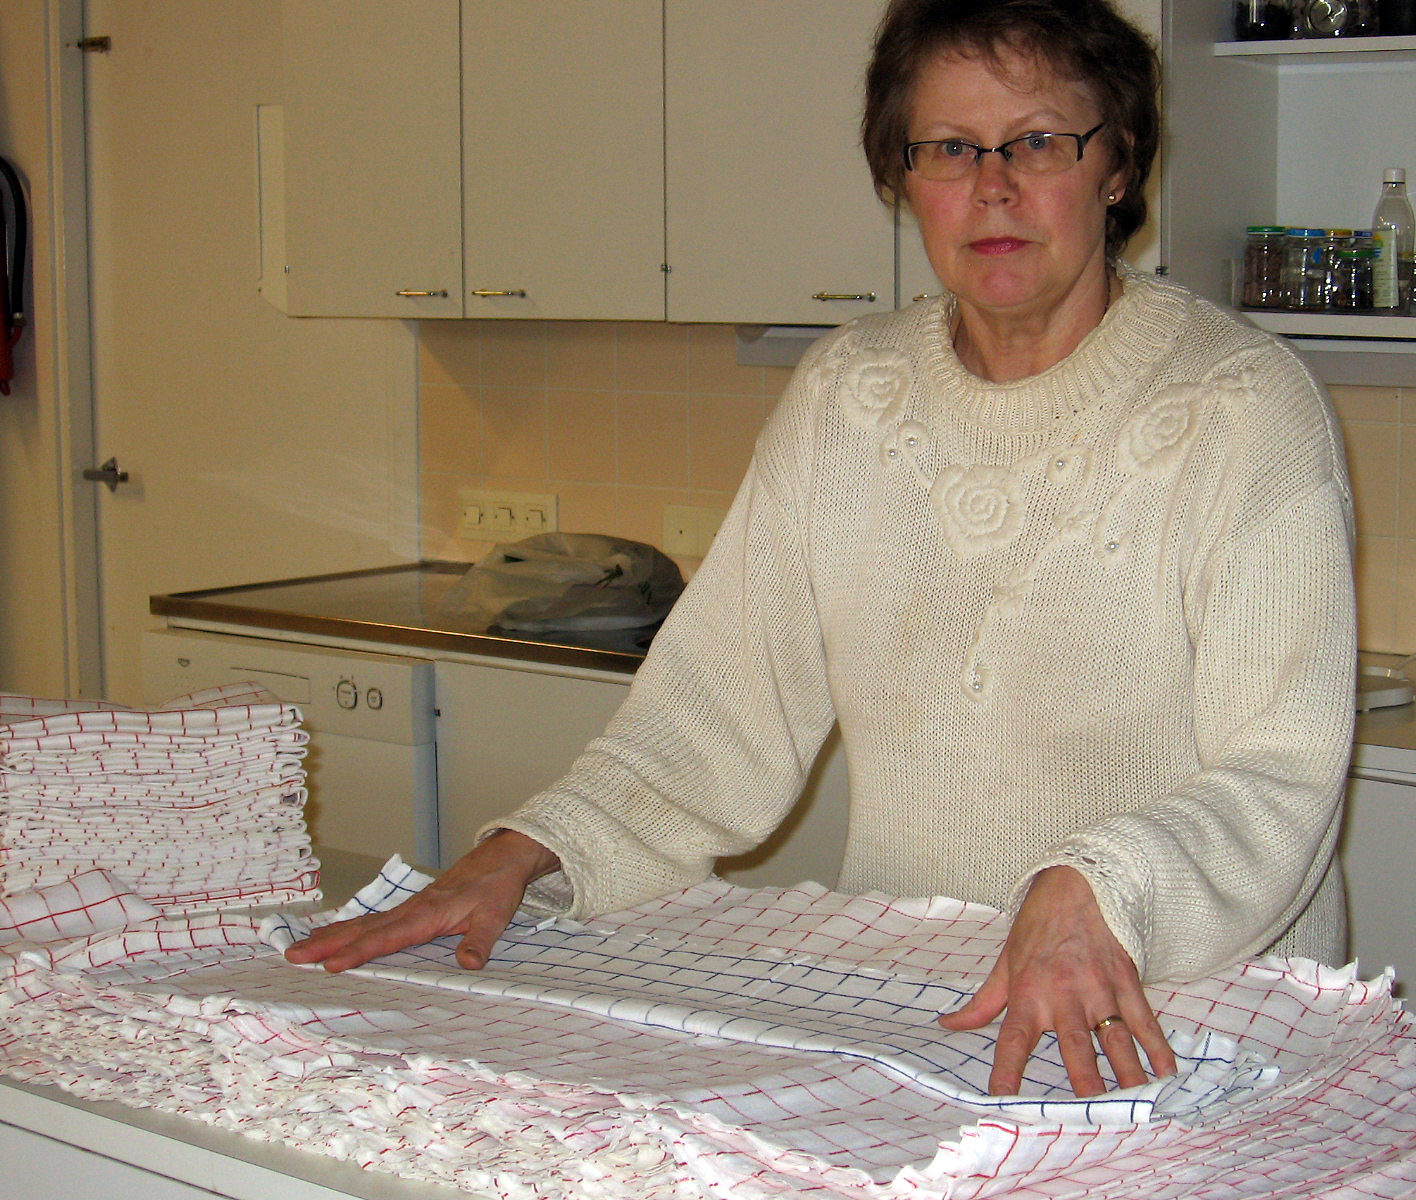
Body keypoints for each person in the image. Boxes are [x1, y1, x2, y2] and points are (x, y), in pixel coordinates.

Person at [288, 0, 1357, 1102]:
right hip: (924, 1005)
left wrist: (1103, 888)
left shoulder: (1241, 406)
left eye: (1038, 142)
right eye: (949, 149)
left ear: (1118, 165)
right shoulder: (850, 395)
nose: (992, 187)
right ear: (903, 176)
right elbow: (715, 713)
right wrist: (525, 850)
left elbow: (1281, 771)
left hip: (1192, 1015)